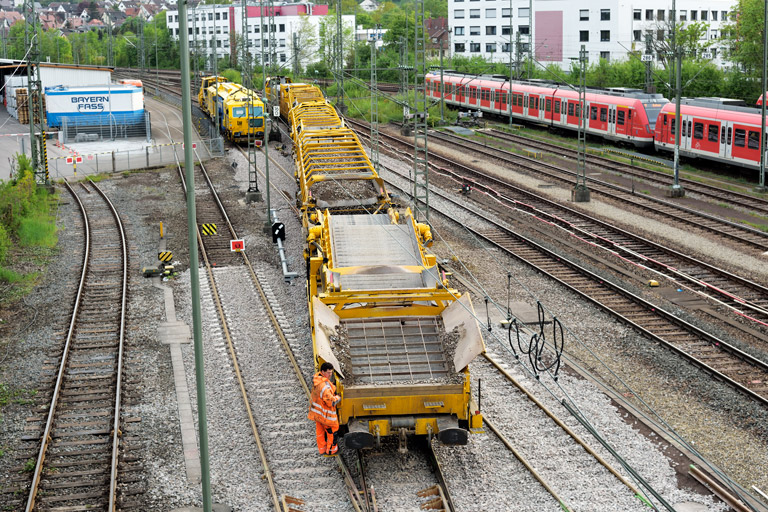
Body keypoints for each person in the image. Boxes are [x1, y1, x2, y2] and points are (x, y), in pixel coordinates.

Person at [308, 362, 341, 456]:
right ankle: (331, 451)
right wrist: (338, 397)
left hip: (317, 414)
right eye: (328, 373)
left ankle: (322, 449)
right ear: (323, 371)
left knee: (320, 432)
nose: (330, 375)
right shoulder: (324, 387)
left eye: (331, 373)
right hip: (326, 415)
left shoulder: (317, 378)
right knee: (332, 431)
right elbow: (331, 402)